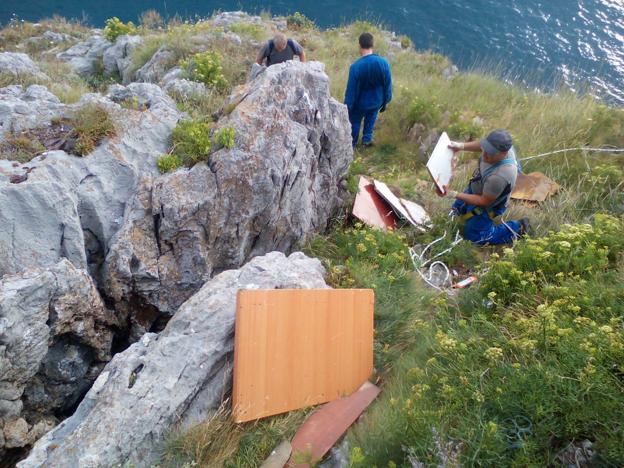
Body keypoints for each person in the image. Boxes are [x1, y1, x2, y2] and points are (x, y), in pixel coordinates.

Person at [439, 129, 530, 245]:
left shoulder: (500, 176)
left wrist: (453, 194)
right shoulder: (496, 147)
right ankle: (460, 211)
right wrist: (460, 146)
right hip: (478, 185)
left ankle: (518, 227)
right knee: (459, 208)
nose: (485, 154)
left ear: (503, 153)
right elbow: (482, 144)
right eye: (486, 149)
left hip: (487, 204)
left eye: (491, 153)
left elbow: (483, 200)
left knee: (476, 238)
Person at [344, 32, 392, 147]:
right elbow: (388, 85)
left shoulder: (355, 67)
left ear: (359, 46)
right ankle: (366, 140)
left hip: (360, 104)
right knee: (371, 119)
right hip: (377, 101)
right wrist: (386, 101)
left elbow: (350, 91)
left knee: (355, 122)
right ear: (372, 45)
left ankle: (352, 144)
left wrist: (347, 107)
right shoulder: (384, 63)